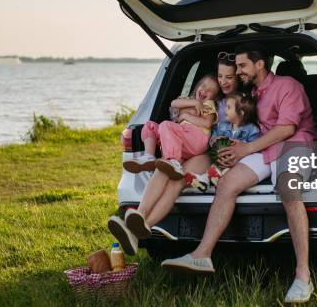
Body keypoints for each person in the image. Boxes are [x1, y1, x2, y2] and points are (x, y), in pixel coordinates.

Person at [161, 42, 317, 303]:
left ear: (260, 64)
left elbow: (287, 129)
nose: (239, 71)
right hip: (264, 147)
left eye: (243, 66)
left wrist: (245, 149)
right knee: (227, 184)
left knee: (288, 188)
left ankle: (303, 276)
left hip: (293, 143)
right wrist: (228, 145)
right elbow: (238, 121)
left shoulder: (288, 86)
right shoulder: (252, 94)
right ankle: (202, 255)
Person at [107, 58, 239, 256]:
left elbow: (212, 125)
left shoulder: (236, 100)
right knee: (162, 170)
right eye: (221, 77)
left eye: (228, 77)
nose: (224, 81)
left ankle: (143, 227)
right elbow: (174, 106)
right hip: (182, 143)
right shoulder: (197, 100)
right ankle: (138, 217)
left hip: (206, 151)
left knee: (176, 183)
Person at [122, 73, 220, 179]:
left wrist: (185, 116)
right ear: (198, 85)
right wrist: (194, 102)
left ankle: (174, 162)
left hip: (196, 139)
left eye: (210, 90)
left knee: (166, 125)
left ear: (214, 97)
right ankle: (149, 157)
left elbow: (207, 123)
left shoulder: (208, 105)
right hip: (183, 139)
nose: (205, 90)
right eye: (204, 85)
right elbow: (173, 103)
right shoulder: (188, 101)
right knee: (150, 125)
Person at [185, 91, 260, 192]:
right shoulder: (222, 125)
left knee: (223, 163)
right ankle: (206, 179)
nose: (225, 110)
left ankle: (211, 177)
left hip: (237, 162)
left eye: (229, 107)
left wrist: (240, 147)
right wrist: (213, 140)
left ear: (241, 112)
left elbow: (253, 148)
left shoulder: (252, 130)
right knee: (219, 148)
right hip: (219, 158)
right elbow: (213, 136)